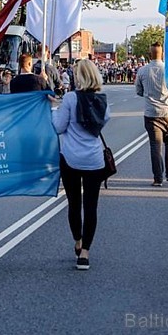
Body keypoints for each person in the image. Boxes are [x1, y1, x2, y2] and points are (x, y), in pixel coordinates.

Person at [50, 59, 110, 271]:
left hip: (71, 159)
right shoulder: (102, 100)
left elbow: (58, 128)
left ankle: (77, 240)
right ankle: (85, 252)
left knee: (74, 203)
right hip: (94, 160)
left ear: (78, 77)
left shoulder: (70, 98)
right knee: (91, 206)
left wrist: (54, 110)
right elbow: (104, 121)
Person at [135, 42, 168, 187]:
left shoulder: (142, 71)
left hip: (151, 113)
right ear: (162, 54)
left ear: (149, 55)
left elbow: (138, 91)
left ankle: (157, 178)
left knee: (155, 146)